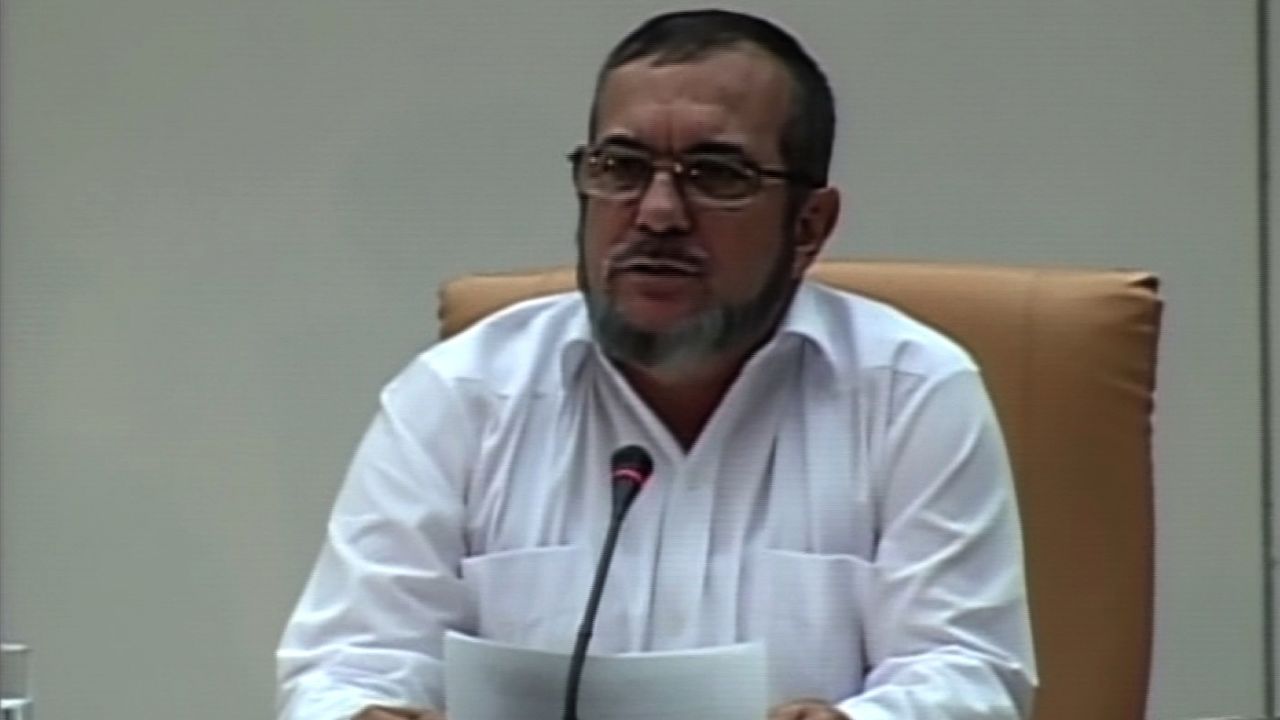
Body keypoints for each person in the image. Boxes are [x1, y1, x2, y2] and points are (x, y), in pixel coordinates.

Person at [277, 9, 1036, 720]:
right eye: (621, 166)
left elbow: (965, 670)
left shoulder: (911, 394)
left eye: (716, 175)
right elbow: (348, 663)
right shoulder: (459, 396)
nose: (657, 212)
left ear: (809, 226)